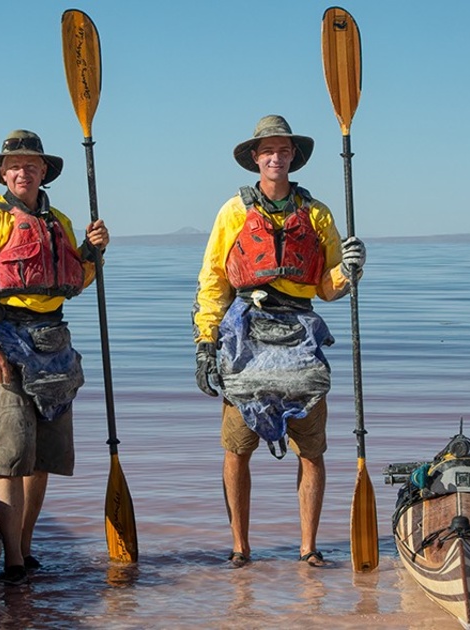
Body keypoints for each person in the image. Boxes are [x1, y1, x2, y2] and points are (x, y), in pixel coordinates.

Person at [192, 115, 366, 569]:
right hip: (245, 336)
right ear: (255, 158)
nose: (275, 157)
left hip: (300, 336)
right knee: (237, 448)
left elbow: (327, 288)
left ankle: (308, 547)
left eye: (282, 150)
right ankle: (240, 547)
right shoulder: (233, 212)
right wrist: (205, 343)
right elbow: (213, 280)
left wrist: (349, 270)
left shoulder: (317, 213)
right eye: (266, 150)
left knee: (311, 450)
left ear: (293, 156)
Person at [0, 130, 110, 585]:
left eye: (31, 165)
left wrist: (92, 253)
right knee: (13, 454)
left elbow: (72, 284)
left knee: (42, 458)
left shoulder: (59, 220)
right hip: (6, 346)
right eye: (14, 165)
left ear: (44, 172)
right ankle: (11, 561)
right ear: (3, 172)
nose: (23, 171)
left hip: (53, 348)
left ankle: (27, 546)